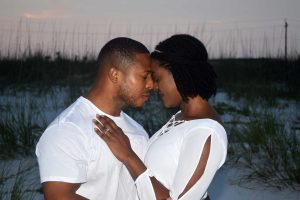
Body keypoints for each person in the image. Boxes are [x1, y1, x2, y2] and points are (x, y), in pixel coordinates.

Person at [93, 34, 228, 200]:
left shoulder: (206, 132)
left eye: (157, 78)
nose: (154, 86)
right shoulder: (182, 117)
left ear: (178, 73)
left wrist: (128, 155)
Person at [35, 37, 154, 200]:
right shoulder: (68, 128)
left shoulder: (138, 131)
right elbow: (58, 196)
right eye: (145, 76)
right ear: (115, 75)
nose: (151, 85)